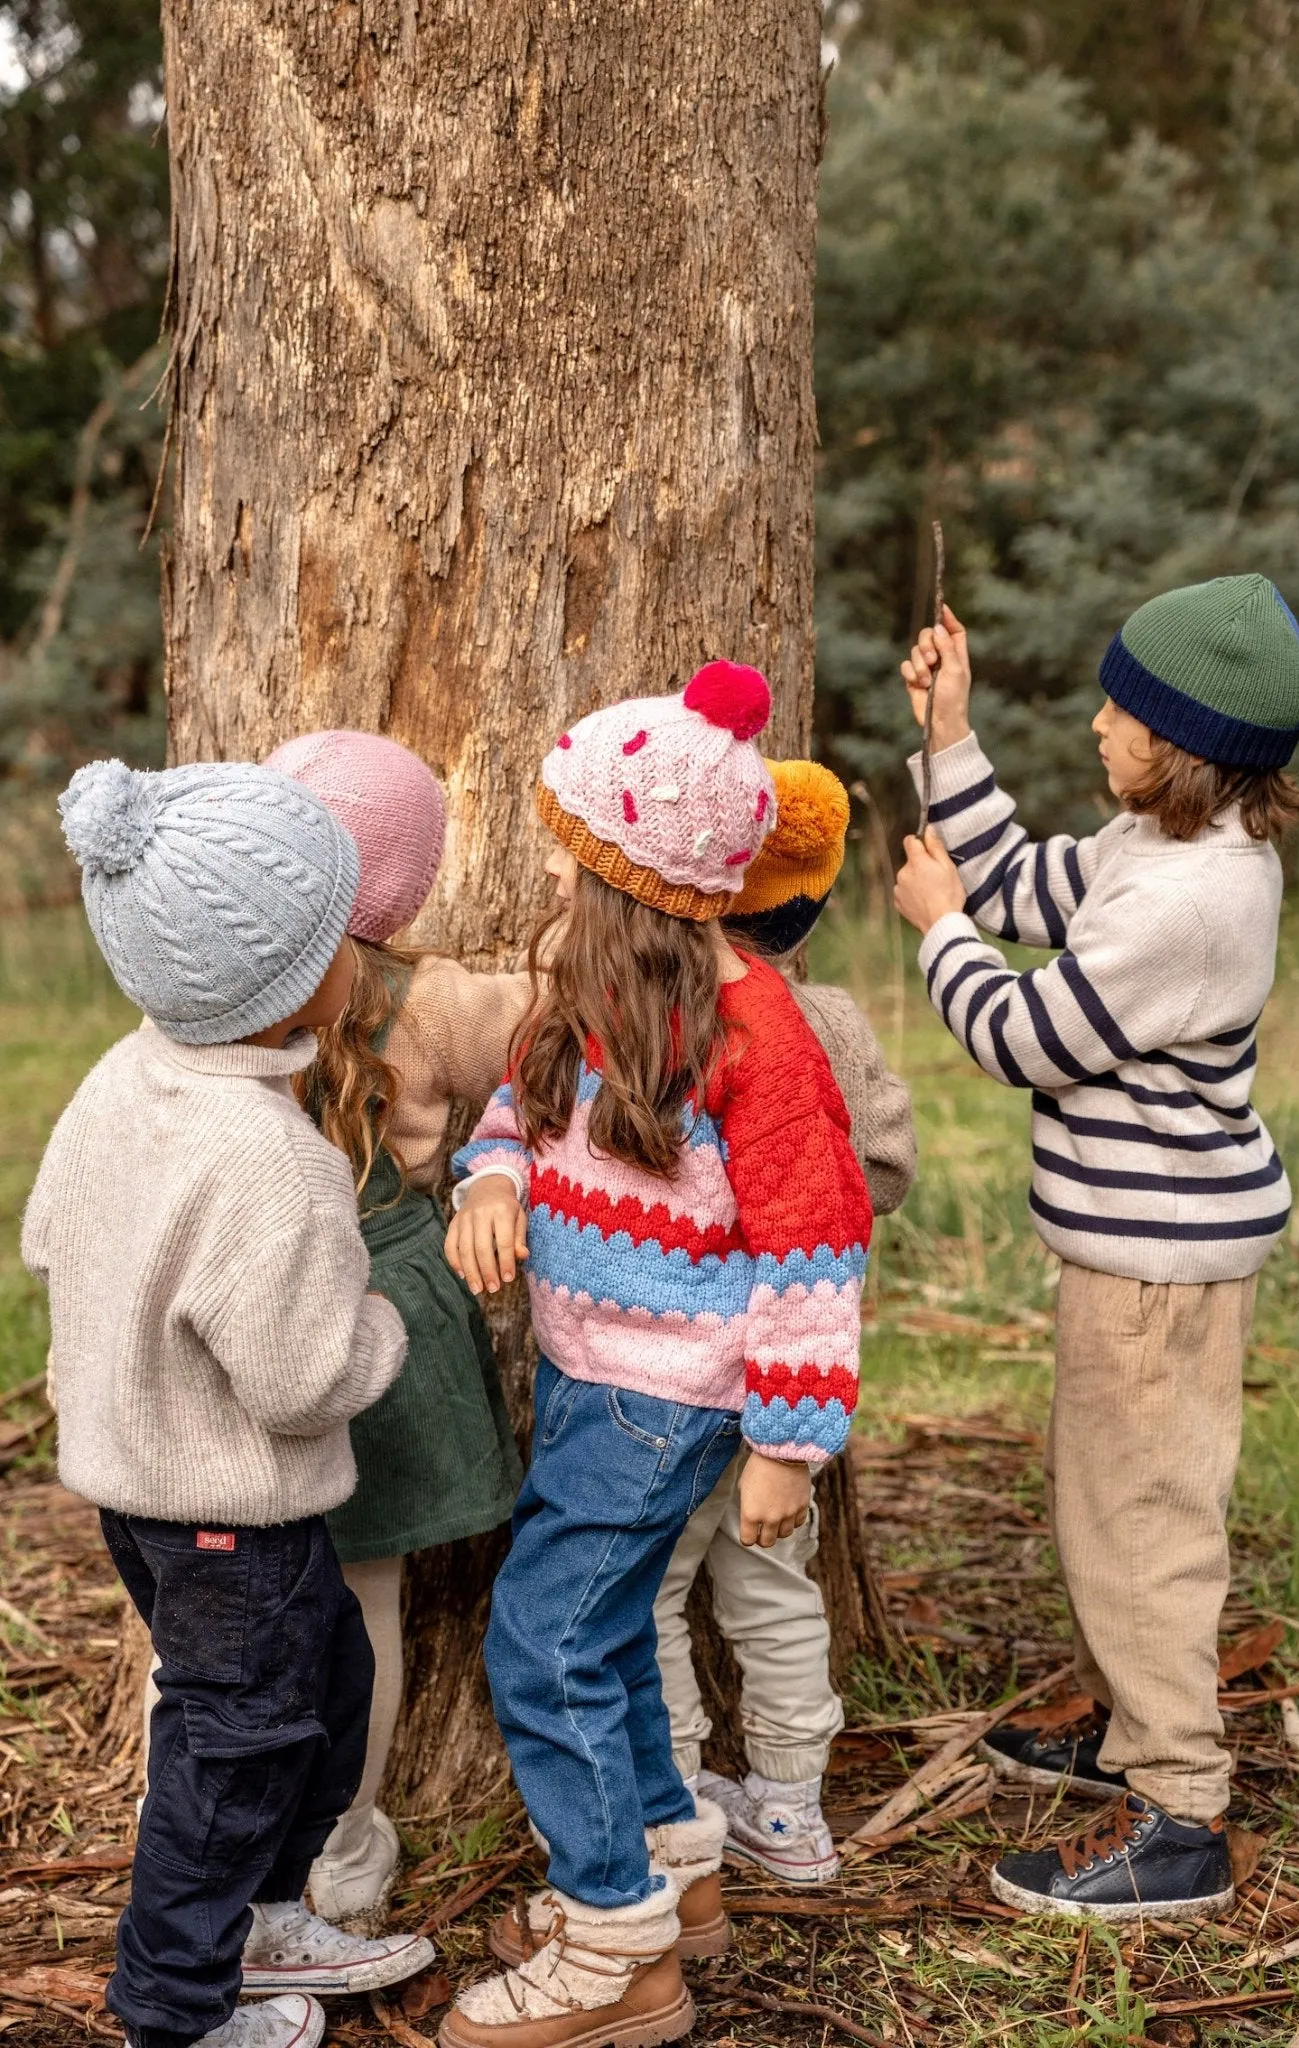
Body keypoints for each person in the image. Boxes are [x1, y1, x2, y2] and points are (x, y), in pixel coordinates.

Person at [438, 662, 873, 2048]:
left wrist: (788, 1447)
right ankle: (672, 1872)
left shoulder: (759, 1038)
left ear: (631, 884)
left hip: (667, 1396)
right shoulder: (595, 989)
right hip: (585, 1370)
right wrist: (491, 1179)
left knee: (539, 1642)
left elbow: (816, 1247)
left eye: (577, 866)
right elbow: (521, 1097)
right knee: (607, 1629)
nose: (558, 894)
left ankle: (614, 1950)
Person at [892, 575, 1299, 1921]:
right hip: (1130, 1255)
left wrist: (937, 934)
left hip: (1154, 1271)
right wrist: (949, 735)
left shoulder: (1196, 902)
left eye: (1119, 712)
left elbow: (1025, 1037)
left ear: (1179, 748)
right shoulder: (1158, 848)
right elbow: (1021, 880)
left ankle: (1180, 1810)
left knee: (1142, 1527)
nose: (1093, 725)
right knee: (1101, 1503)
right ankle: (1125, 1728)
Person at [22, 759, 436, 2048]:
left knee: (326, 1681)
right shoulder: (272, 1157)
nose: (360, 956)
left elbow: (49, 1235)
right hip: (225, 1518)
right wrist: (384, 1326)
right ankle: (176, 2002)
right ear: (292, 981)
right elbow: (301, 1378)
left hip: (152, 1494)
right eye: (337, 937)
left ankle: (253, 1919)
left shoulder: (122, 1077)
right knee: (236, 1749)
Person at [262, 730, 528, 1930]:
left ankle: (255, 1817)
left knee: (246, 1577)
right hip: (378, 1305)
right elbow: (552, 1039)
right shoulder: (437, 999)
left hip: (263, 1300)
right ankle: (350, 1834)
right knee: (363, 1593)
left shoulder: (226, 982)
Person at [652, 758, 915, 1890]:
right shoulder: (835, 1019)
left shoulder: (667, 1016)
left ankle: (673, 1794)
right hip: (793, 1384)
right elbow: (891, 1165)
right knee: (775, 1586)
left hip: (671, 1369)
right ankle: (793, 1802)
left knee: (649, 1590)